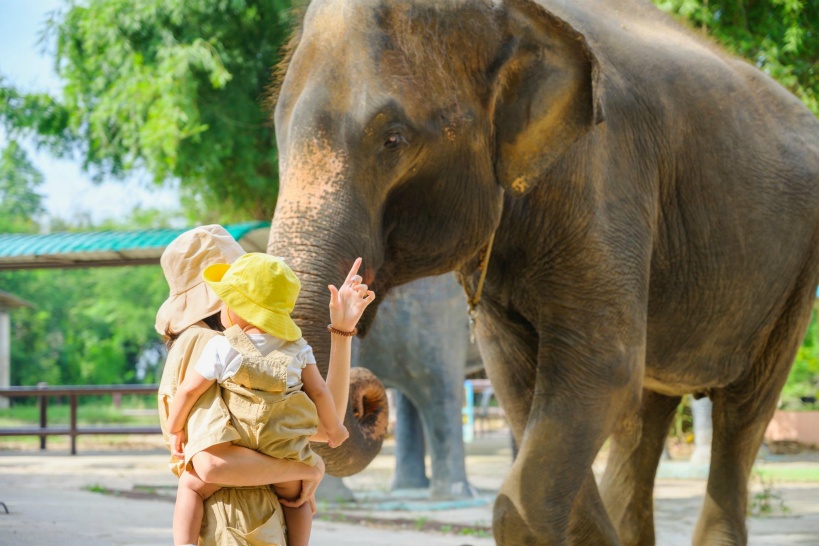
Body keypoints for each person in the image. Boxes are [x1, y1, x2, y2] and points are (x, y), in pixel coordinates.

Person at [155, 225, 371, 545]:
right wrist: (306, 470)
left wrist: (341, 332)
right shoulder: (205, 343)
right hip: (234, 526)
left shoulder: (243, 350)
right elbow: (213, 464)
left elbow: (325, 427)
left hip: (258, 523)